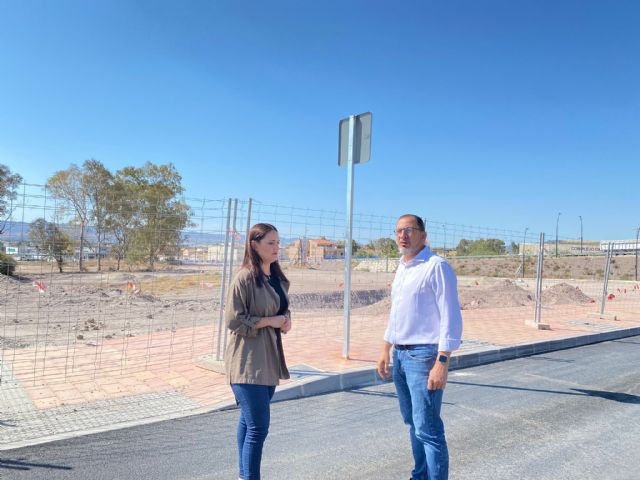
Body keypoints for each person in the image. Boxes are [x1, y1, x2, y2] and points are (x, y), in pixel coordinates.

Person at [377, 214, 463, 480]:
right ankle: (420, 475)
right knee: (413, 424)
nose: (403, 235)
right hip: (401, 355)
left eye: (410, 230)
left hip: (425, 356)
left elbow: (451, 315)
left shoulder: (436, 266)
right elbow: (397, 314)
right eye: (399, 231)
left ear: (423, 236)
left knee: (428, 429)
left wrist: (443, 361)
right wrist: (385, 348)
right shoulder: (402, 267)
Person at [224, 223, 292, 480]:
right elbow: (233, 321)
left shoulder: (276, 278)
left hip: (270, 362)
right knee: (258, 429)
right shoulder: (244, 278)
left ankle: (244, 476)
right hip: (246, 363)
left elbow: (282, 308)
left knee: (248, 422)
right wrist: (268, 321)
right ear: (254, 245)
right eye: (270, 243)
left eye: (278, 243)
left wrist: (286, 320)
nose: (277, 248)